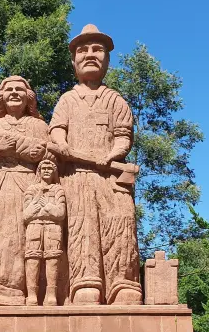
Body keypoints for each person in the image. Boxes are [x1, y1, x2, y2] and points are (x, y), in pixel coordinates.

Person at [48, 24, 143, 305]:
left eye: (97, 49)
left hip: (111, 177)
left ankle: (123, 283)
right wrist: (61, 142)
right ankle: (84, 283)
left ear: (107, 59)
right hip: (76, 177)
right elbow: (56, 130)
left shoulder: (115, 100)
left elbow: (123, 136)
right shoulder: (67, 100)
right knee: (82, 227)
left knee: (121, 225)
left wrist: (113, 155)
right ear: (73, 60)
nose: (90, 54)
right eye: (83, 50)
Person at [0, 75, 48, 305]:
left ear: (28, 97)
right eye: (9, 90)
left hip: (26, 186)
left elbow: (41, 152)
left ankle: (25, 292)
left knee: (23, 239)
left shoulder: (39, 126)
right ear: (1, 98)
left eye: (19, 89)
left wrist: (11, 146)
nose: (14, 93)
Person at [23, 156, 66, 306]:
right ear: (39, 172)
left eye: (50, 169)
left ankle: (51, 294)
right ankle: (32, 294)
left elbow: (61, 214)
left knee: (52, 258)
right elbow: (26, 215)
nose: (47, 171)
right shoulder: (31, 190)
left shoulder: (58, 189)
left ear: (54, 172)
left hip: (53, 227)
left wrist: (47, 206)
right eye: (44, 169)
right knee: (32, 257)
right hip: (34, 226)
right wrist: (36, 205)